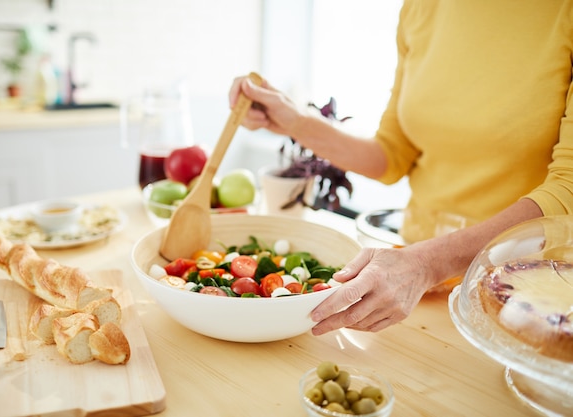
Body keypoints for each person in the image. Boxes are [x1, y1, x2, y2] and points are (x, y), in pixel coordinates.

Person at [228, 0, 573, 335]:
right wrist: (295, 121)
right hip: (419, 288)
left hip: (532, 300)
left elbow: (567, 189)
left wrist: (428, 263)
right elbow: (391, 155)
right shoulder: (421, 7)